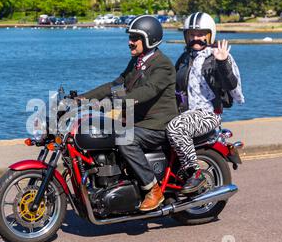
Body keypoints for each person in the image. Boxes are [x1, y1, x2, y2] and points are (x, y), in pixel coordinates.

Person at [79, 15, 178, 211]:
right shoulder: (137, 62)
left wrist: (115, 103)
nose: (130, 42)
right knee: (103, 131)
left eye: (135, 37)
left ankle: (153, 188)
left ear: (149, 38)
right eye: (130, 37)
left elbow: (147, 91)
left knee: (125, 138)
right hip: (138, 121)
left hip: (157, 124)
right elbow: (115, 85)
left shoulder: (162, 64)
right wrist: (82, 98)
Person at [166, 12, 244, 193]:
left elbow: (233, 88)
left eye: (201, 34)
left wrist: (223, 63)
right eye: (192, 35)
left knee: (176, 128)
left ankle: (196, 174)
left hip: (208, 115)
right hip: (184, 113)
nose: (196, 38)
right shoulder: (185, 58)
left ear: (210, 35)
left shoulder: (218, 56)